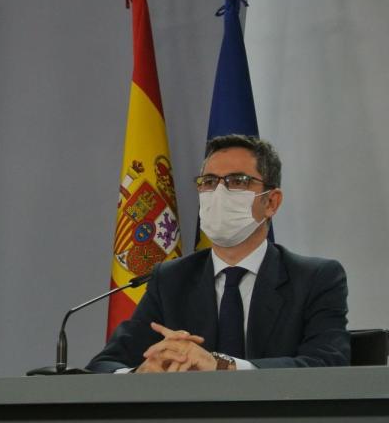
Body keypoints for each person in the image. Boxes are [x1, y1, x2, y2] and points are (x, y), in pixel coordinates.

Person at [87, 134, 350, 373]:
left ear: (271, 202)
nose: (219, 193)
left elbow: (328, 363)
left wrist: (224, 366)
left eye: (238, 181)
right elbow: (104, 365)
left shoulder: (316, 278)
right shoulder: (171, 279)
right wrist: (140, 373)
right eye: (209, 182)